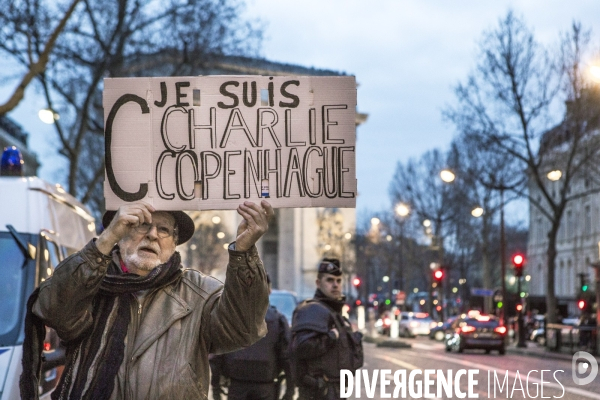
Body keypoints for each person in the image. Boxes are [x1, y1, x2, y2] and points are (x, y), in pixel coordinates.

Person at [21, 200, 274, 400]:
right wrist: (104, 241)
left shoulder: (199, 293)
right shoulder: (88, 285)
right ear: (120, 234)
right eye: (140, 224)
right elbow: (52, 308)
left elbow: (243, 330)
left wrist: (244, 254)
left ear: (174, 244)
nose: (153, 235)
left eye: (164, 229)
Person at [210, 275, 294, 400]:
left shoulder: (230, 318)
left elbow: (217, 356)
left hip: (237, 386)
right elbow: (287, 357)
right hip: (266, 387)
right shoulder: (278, 320)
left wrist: (216, 387)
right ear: (269, 291)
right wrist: (289, 390)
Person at [290, 258, 363, 400]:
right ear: (318, 283)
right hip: (318, 393)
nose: (335, 285)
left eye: (338, 281)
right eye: (329, 280)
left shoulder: (334, 313)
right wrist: (331, 337)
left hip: (335, 392)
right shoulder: (312, 310)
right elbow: (302, 347)